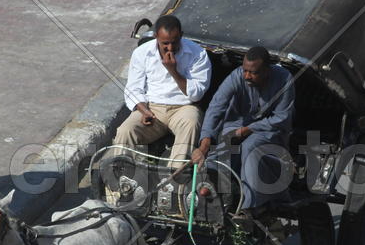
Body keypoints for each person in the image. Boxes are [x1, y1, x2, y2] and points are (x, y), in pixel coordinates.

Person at [191, 46, 295, 217]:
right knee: (221, 147)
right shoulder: (237, 76)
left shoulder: (284, 80)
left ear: (267, 71)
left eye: (253, 73)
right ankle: (215, 197)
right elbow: (216, 108)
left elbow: (281, 118)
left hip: (270, 130)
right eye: (245, 70)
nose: (247, 76)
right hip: (236, 126)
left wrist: (248, 129)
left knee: (250, 146)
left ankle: (251, 205)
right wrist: (205, 142)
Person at [114, 15, 212, 170]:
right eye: (165, 43)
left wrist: (173, 71)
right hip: (152, 108)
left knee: (191, 123)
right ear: (156, 37)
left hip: (184, 108)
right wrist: (143, 110)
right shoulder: (142, 53)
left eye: (174, 42)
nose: (170, 48)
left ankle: (174, 182)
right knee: (125, 131)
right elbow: (133, 89)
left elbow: (196, 94)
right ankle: (117, 182)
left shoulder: (198, 54)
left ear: (181, 35)